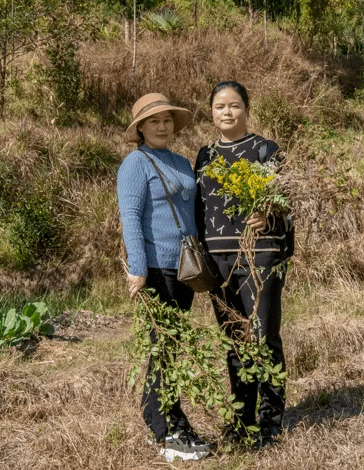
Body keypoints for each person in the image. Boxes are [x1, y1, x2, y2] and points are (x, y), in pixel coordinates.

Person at [194, 81, 294, 449]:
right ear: (211, 113)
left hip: (261, 257)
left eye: (234, 105)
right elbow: (199, 210)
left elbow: (291, 201)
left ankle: (271, 422)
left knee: (263, 336)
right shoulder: (204, 156)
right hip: (220, 261)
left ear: (246, 109)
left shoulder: (266, 150)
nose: (227, 112)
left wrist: (270, 214)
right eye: (220, 106)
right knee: (234, 339)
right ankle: (242, 419)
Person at [117, 92, 213, 462]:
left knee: (170, 348)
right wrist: (138, 269)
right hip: (156, 268)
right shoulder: (134, 164)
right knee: (163, 347)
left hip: (185, 268)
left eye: (167, 120)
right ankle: (166, 429)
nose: (162, 126)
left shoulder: (181, 162)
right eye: (154, 121)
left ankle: (161, 419)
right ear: (140, 128)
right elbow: (131, 219)